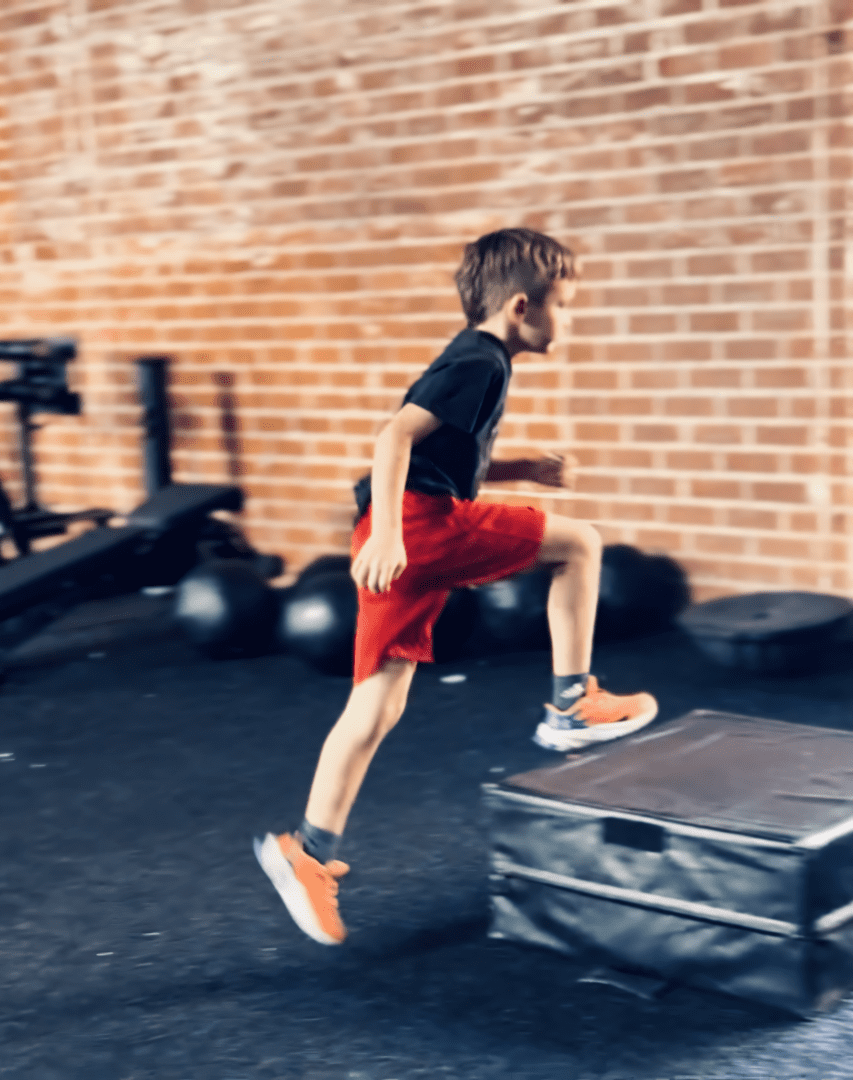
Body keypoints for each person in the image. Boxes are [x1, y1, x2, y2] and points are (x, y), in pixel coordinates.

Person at [254, 228, 658, 946]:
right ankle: (572, 701)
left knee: (376, 704)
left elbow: (448, 457)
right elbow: (394, 439)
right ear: (523, 307)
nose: (568, 319)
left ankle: (306, 852)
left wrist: (521, 469)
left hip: (402, 521)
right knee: (580, 545)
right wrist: (391, 534)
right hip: (418, 525)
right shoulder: (482, 360)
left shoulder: (474, 358)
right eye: (565, 305)